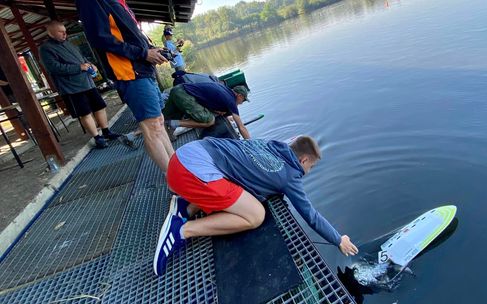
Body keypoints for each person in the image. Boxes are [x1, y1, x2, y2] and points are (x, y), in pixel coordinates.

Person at [153, 135, 359, 276]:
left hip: (184, 156)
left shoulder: (271, 145)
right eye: (311, 167)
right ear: (303, 160)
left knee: (235, 185)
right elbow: (310, 215)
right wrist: (338, 239)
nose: (309, 171)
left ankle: (186, 207)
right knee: (255, 215)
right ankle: (181, 230)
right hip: (189, 174)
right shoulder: (290, 176)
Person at [75, 0, 174, 172]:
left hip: (143, 69)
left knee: (158, 122)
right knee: (151, 127)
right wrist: (144, 53)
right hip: (129, 72)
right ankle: (173, 180)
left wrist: (150, 49)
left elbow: (130, 35)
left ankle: (178, 170)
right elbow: (101, 39)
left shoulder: (119, 2)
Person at [39, 20, 122, 149]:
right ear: (51, 33)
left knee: (100, 106)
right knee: (85, 112)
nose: (64, 34)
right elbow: (54, 68)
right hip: (71, 87)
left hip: (88, 83)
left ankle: (106, 131)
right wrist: (80, 67)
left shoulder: (69, 44)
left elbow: (82, 59)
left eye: (65, 31)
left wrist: (91, 65)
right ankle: (97, 137)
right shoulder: (45, 48)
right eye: (60, 32)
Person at [162, 82, 251, 139]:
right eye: (243, 100)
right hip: (184, 96)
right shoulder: (231, 100)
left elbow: (208, 101)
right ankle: (172, 123)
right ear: (239, 96)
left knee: (163, 119)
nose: (242, 103)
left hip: (178, 89)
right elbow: (241, 127)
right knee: (210, 121)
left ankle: (168, 131)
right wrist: (251, 144)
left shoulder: (223, 88)